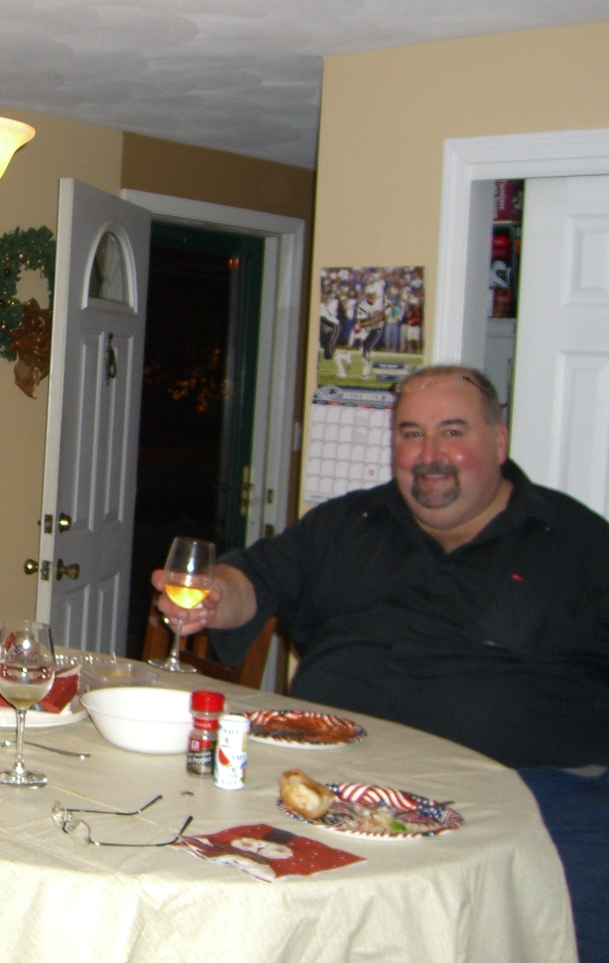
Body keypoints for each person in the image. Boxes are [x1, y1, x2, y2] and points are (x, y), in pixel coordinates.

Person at [153, 364, 607, 959]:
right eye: (411, 433)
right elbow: (254, 581)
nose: (429, 455)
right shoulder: (351, 522)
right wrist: (215, 596)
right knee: (214, 906)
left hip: (529, 797)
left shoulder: (577, 544)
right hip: (328, 787)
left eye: (452, 432)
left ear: (499, 440)